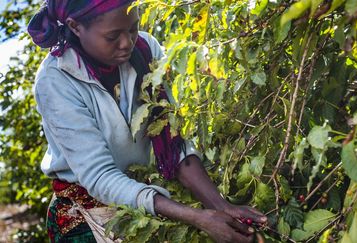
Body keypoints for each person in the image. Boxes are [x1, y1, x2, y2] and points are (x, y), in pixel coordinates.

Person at [28, 1, 267, 242]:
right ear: (75, 27)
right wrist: (197, 217)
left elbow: (173, 141)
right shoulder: (56, 80)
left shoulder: (146, 49)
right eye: (112, 37)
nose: (127, 43)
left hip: (143, 194)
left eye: (133, 29)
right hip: (85, 212)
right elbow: (100, 176)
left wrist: (219, 206)